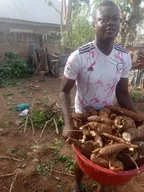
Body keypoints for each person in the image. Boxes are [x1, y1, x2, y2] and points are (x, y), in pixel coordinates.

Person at [60, 1, 144, 192]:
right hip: (84, 116)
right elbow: (64, 91)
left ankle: (103, 185)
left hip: (109, 115)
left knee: (108, 157)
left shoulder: (123, 57)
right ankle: (77, 184)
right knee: (83, 157)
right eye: (103, 19)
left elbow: (122, 93)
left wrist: (137, 118)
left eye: (115, 19)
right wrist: (67, 123)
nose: (110, 23)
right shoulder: (79, 57)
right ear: (94, 24)